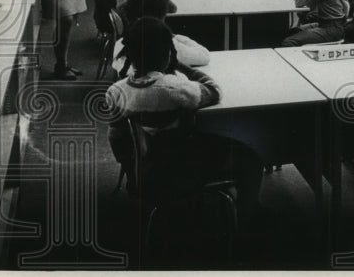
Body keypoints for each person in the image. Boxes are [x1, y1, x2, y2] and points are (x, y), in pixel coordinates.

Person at [105, 16, 263, 228]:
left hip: (147, 168)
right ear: (168, 53)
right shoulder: (175, 89)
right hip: (183, 165)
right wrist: (185, 68)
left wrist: (131, 166)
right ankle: (248, 220)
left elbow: (115, 135)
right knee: (252, 159)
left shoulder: (115, 91)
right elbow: (214, 91)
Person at [113, 0, 210, 76]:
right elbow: (204, 57)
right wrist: (175, 37)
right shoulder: (164, 45)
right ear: (158, 20)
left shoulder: (120, 44)